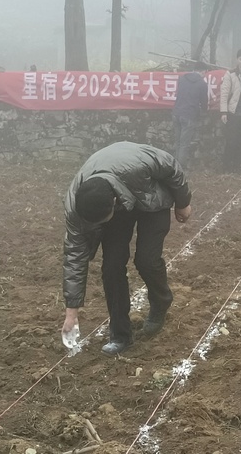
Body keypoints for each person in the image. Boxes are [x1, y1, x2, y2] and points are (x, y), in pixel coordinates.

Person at [60, 141, 193, 356]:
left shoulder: (137, 165)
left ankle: (161, 302)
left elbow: (170, 166)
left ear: (113, 202)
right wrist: (71, 313)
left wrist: (183, 202)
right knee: (112, 267)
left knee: (147, 260)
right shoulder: (76, 209)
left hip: (151, 196)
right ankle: (120, 335)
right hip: (119, 207)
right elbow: (74, 256)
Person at [172, 63, 209, 171]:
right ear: (203, 71)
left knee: (178, 142)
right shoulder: (202, 83)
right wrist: (204, 111)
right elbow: (204, 102)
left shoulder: (182, 78)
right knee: (184, 144)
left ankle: (174, 166)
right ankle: (180, 169)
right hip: (189, 115)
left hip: (176, 112)